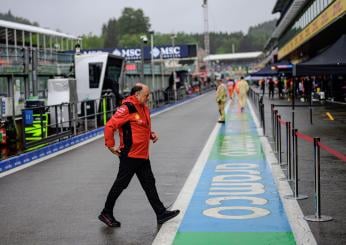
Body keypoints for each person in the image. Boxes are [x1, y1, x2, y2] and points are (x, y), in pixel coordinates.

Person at [99, 83, 180, 227]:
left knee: (150, 183)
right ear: (136, 94)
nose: (148, 98)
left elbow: (141, 126)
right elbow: (109, 126)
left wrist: (151, 134)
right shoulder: (127, 108)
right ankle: (106, 212)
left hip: (142, 155)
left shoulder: (144, 108)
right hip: (130, 156)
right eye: (146, 95)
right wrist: (110, 146)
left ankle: (161, 213)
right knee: (120, 184)